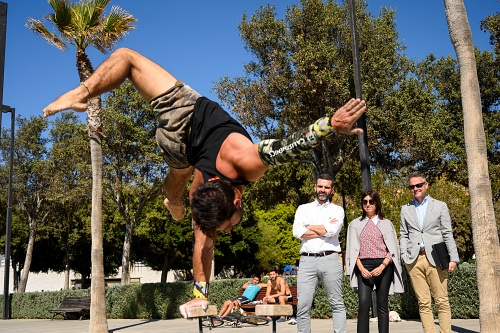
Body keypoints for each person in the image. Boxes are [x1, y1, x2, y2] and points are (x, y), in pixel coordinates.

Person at [42, 48, 366, 316]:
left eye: (223, 228)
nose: (227, 230)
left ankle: (83, 94)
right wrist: (329, 124)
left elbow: (285, 147)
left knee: (129, 61)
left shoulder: (212, 196)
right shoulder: (238, 170)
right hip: (182, 131)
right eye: (227, 227)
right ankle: (174, 202)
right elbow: (285, 147)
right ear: (235, 201)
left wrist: (328, 126)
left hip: (181, 124)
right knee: (179, 178)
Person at [400, 171, 460, 333]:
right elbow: (404, 234)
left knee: (441, 301)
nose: (415, 188)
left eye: (418, 185)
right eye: (412, 186)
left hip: (436, 259)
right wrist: (404, 256)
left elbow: (447, 233)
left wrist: (453, 258)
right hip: (414, 260)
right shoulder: (405, 209)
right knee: (424, 303)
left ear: (426, 185)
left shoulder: (440, 206)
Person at [292, 174, 346, 333]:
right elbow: (297, 232)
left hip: (330, 259)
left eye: (327, 187)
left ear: (332, 190)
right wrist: (325, 229)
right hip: (307, 261)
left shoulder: (337, 210)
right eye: (320, 186)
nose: (323, 190)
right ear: (315, 187)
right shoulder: (303, 208)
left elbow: (333, 230)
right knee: (303, 305)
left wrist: (309, 226)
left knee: (336, 302)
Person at [345, 190, 404, 333]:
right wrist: (360, 268)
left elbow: (393, 250)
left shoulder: (386, 223)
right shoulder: (354, 224)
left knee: (382, 305)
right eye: (365, 202)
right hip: (363, 267)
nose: (368, 204)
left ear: (377, 203)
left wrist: (383, 266)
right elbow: (352, 251)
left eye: (371, 201)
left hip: (384, 267)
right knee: (364, 305)